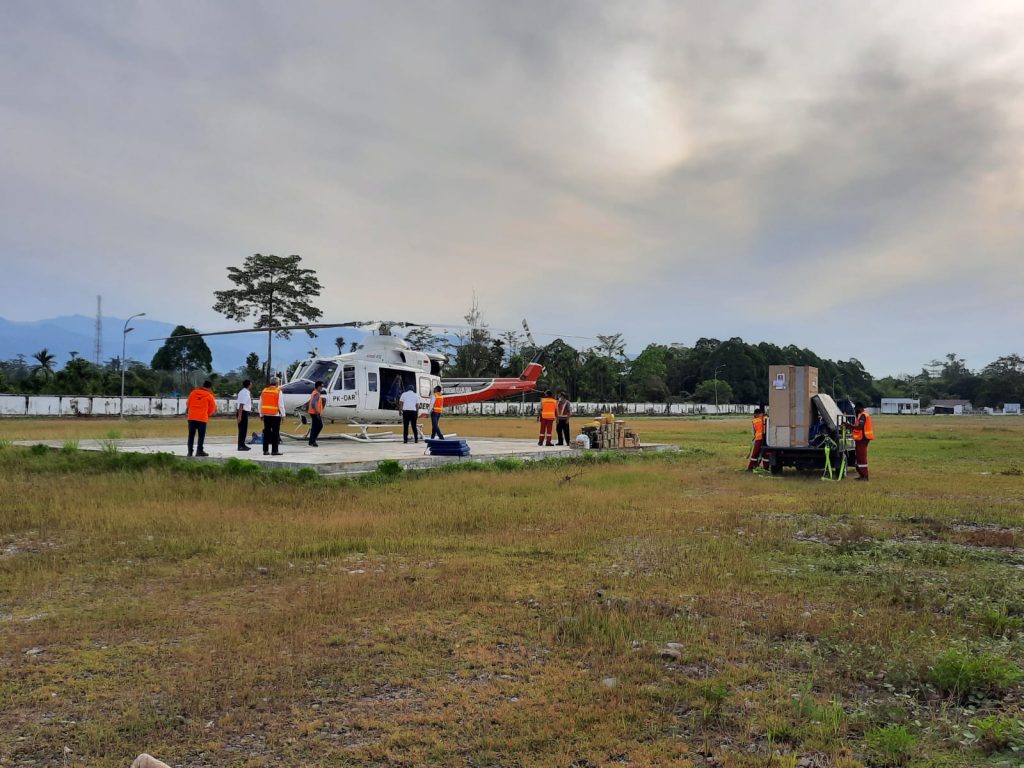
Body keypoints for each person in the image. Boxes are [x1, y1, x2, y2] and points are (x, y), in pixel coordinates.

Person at [185, 380, 217, 457]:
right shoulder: (209, 396)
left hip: (191, 417)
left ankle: (190, 452)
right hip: (202, 418)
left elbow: (188, 403)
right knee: (201, 436)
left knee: (191, 435)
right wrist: (207, 414)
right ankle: (199, 451)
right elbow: (213, 408)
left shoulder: (193, 393)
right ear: (210, 388)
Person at [259, 376, 286, 456]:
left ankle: (265, 451)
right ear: (277, 383)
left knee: (266, 433)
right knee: (275, 433)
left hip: (266, 415)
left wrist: (261, 414)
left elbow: (260, 403)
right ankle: (274, 451)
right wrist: (283, 415)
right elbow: (281, 405)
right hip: (275, 415)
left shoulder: (264, 390)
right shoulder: (278, 391)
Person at [851, 403, 875, 480]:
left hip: (863, 439)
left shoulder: (863, 415)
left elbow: (860, 427)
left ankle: (865, 476)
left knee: (861, 457)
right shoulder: (861, 415)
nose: (856, 410)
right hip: (861, 439)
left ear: (860, 408)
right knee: (859, 457)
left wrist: (849, 426)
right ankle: (862, 475)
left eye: (856, 409)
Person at [235, 379, 253, 451]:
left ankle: (242, 444)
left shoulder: (243, 392)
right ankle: (240, 446)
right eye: (251, 384)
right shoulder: (245, 393)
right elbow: (241, 405)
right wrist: (240, 416)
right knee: (242, 430)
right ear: (249, 385)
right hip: (242, 412)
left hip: (243, 412)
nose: (252, 385)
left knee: (243, 430)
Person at [307, 380, 325, 447]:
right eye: (321, 386)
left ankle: (311, 441)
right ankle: (313, 441)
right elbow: (313, 403)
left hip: (312, 412)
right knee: (319, 426)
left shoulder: (314, 392)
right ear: (318, 386)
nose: (322, 388)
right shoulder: (316, 393)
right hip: (315, 412)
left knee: (314, 427)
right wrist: (317, 411)